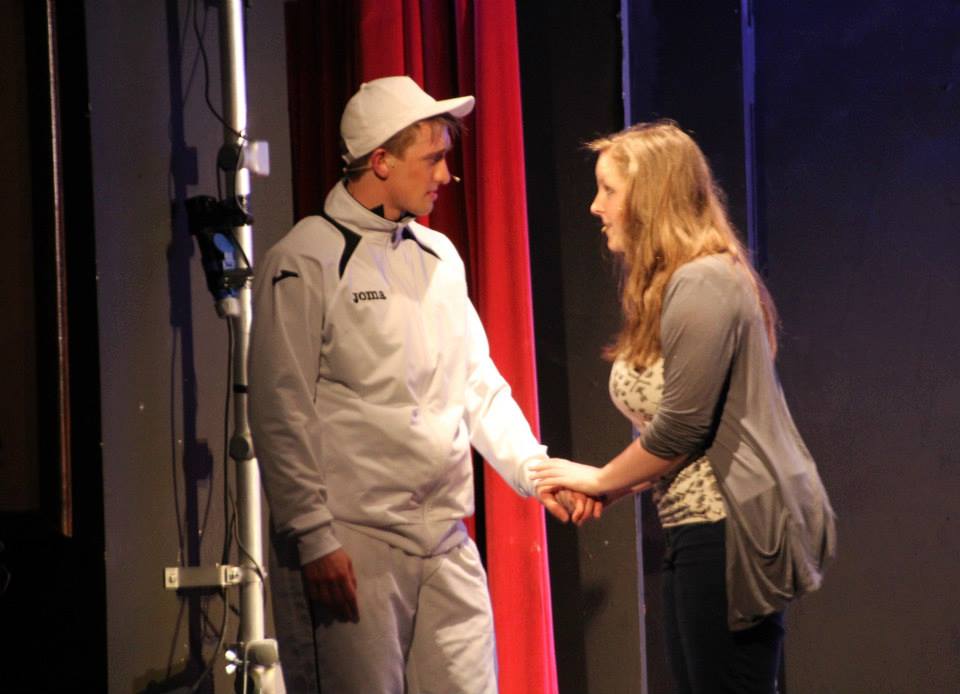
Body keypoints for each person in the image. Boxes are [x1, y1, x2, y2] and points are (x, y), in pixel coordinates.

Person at [249, 75, 597, 694]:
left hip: (443, 538)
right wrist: (314, 537)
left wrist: (535, 470)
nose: (446, 175)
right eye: (432, 158)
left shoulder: (437, 254)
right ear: (381, 160)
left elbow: (476, 383)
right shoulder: (305, 258)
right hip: (353, 541)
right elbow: (281, 408)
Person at [531, 121, 836, 694]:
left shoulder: (703, 282)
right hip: (695, 526)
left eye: (609, 190)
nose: (596, 206)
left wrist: (600, 478)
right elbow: (691, 431)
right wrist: (613, 488)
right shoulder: (679, 283)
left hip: (727, 528)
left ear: (650, 198)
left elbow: (683, 428)